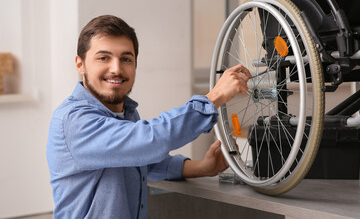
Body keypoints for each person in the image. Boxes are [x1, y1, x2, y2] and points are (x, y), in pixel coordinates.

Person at [47, 15, 251, 219]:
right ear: (80, 64)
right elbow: (148, 141)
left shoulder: (126, 113)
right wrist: (214, 97)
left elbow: (140, 160)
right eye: (103, 58)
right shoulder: (73, 120)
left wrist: (201, 167)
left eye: (126, 59)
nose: (116, 69)